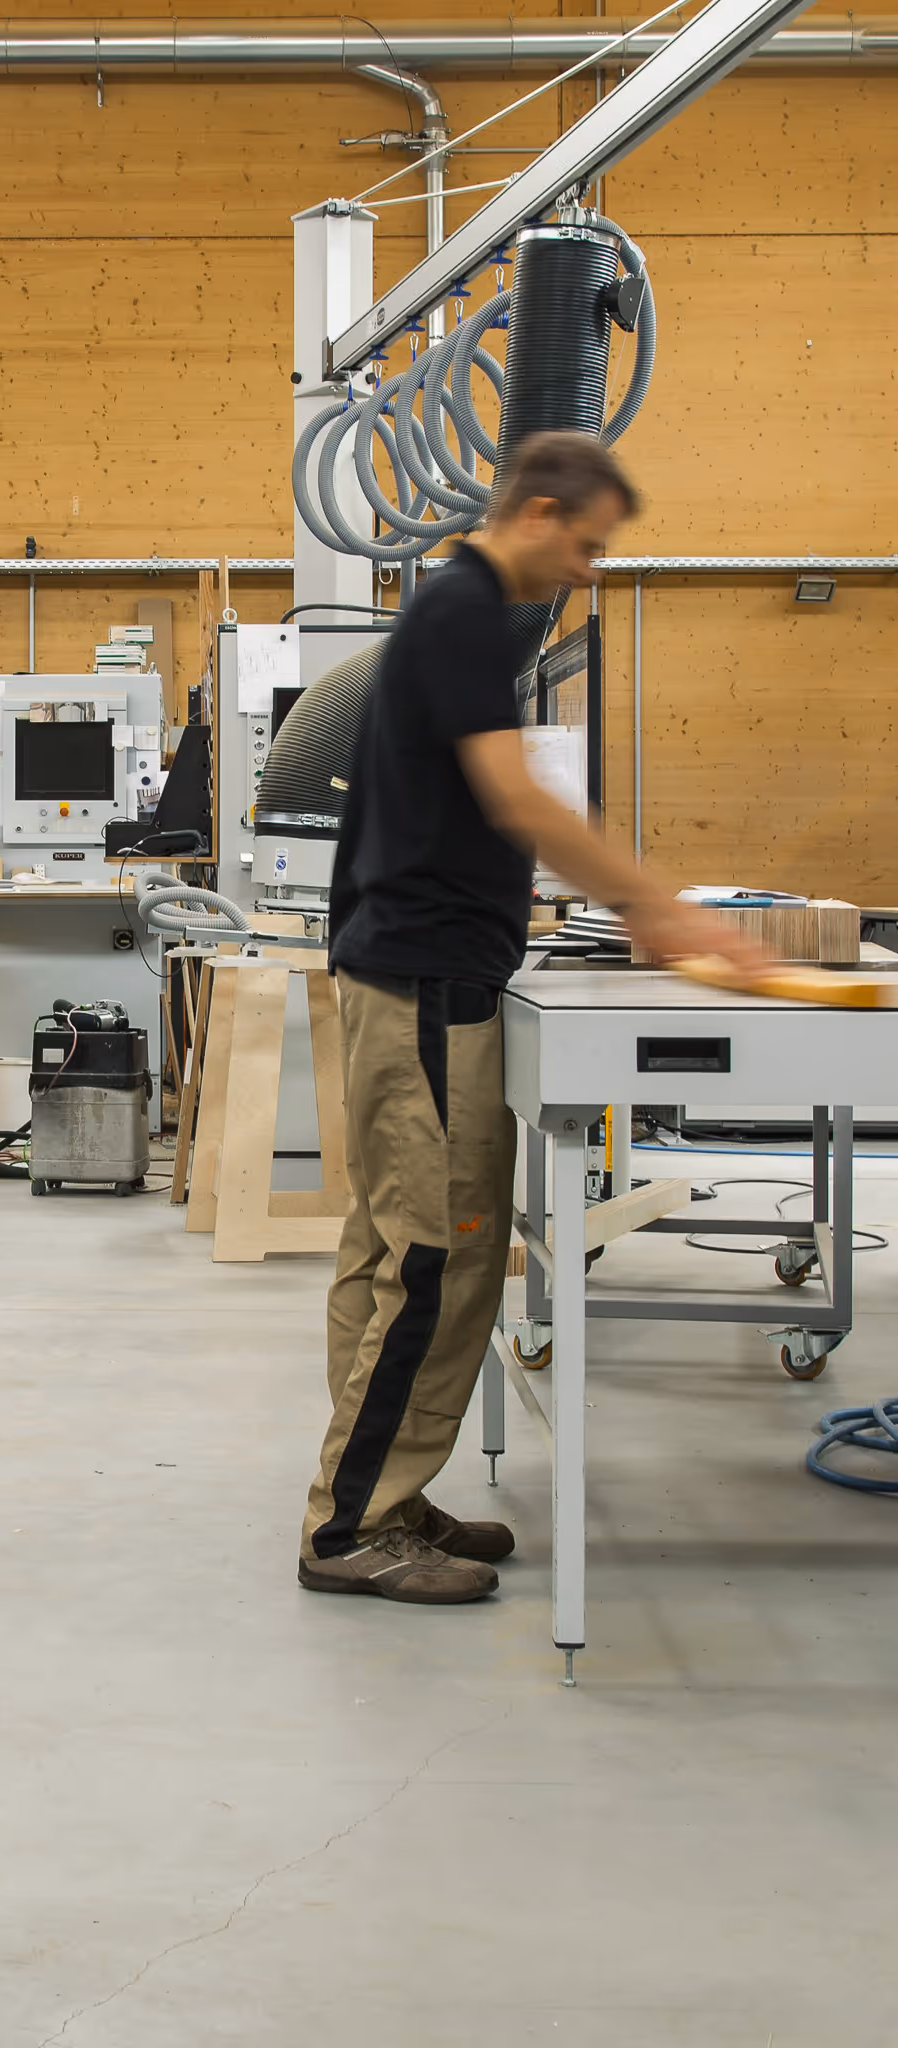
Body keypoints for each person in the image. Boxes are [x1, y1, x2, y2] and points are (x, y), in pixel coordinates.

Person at [299, 430, 759, 1606]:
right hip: (428, 988)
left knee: (395, 1252)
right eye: (591, 546)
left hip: (412, 974)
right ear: (542, 511)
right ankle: (350, 1528)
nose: (592, 572)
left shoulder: (459, 615)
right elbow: (515, 797)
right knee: (435, 1259)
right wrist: (661, 911)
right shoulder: (462, 613)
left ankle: (380, 1493)